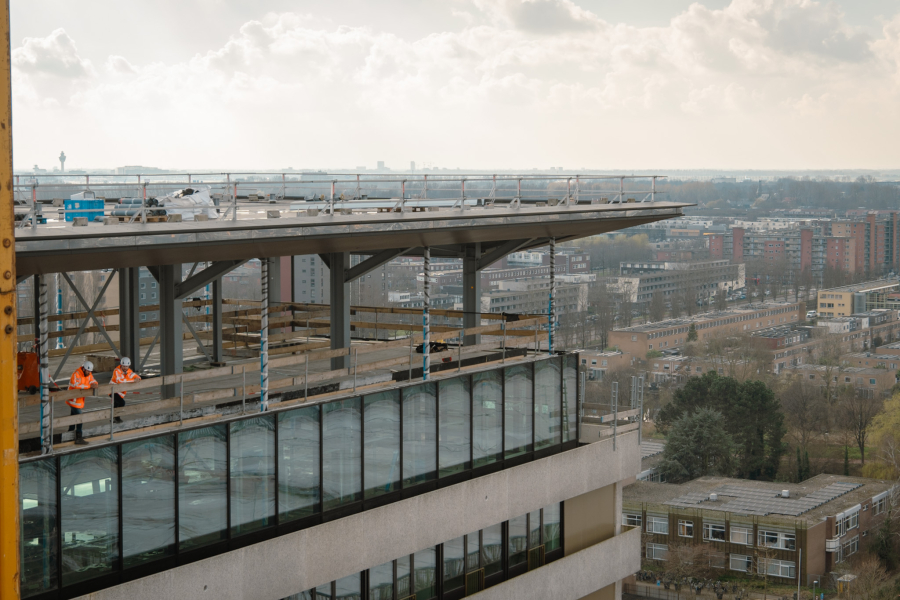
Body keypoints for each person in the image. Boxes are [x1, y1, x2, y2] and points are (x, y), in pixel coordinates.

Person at [67, 360, 98, 445]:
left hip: (78, 401)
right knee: (80, 417)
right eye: (88, 371)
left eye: (90, 371)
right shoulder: (76, 374)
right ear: (83, 369)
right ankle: (79, 437)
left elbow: (92, 380)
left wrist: (95, 384)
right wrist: (89, 386)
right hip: (73, 400)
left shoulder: (88, 374)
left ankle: (69, 433)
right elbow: (76, 385)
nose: (89, 373)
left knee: (73, 416)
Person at [110, 357, 141, 424]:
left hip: (120, 392)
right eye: (124, 366)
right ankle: (117, 418)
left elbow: (136, 376)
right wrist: (133, 380)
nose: (125, 368)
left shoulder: (129, 371)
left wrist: (137, 378)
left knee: (116, 404)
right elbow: (119, 381)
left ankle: (113, 418)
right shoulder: (116, 371)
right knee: (121, 403)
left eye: (126, 366)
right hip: (113, 390)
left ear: (128, 366)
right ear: (121, 365)